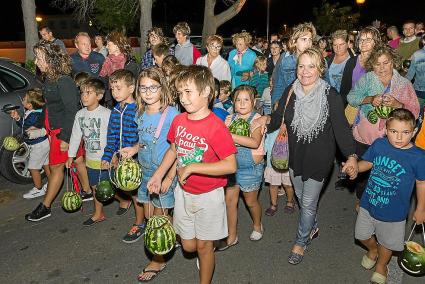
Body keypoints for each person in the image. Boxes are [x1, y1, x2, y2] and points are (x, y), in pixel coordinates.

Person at [256, 47, 358, 264]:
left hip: (320, 158)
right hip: (295, 155)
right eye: (301, 66)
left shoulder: (331, 95)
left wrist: (351, 156)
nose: (305, 71)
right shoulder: (291, 91)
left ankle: (301, 241)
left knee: (309, 202)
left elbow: (341, 129)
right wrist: (262, 120)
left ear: (320, 68)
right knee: (302, 198)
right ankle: (312, 224)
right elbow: (277, 117)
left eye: (311, 66)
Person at [147, 65, 237, 284]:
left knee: (204, 247)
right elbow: (174, 150)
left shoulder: (216, 127)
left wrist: (193, 167)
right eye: (180, 93)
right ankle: (206, 245)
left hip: (209, 196)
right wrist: (160, 175)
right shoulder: (179, 121)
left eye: (188, 92)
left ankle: (205, 274)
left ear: (206, 91)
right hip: (184, 193)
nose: (183, 98)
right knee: (188, 246)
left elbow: (230, 165)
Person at [346, 109, 425, 284]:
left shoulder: (419, 157)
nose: (399, 137)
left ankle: (382, 265)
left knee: (388, 244)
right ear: (385, 130)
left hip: (394, 213)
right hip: (369, 203)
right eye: (394, 131)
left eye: (405, 132)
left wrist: (420, 209)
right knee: (361, 235)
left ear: (414, 132)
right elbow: (368, 162)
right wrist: (356, 168)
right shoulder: (379, 144)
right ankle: (372, 250)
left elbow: (421, 183)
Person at [118, 67, 179, 282]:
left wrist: (168, 177)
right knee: (148, 212)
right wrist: (134, 149)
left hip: (162, 175)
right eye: (143, 88)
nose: (148, 92)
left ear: (162, 87)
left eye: (153, 87)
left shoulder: (171, 114)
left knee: (158, 217)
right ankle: (173, 236)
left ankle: (159, 260)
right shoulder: (140, 113)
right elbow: (144, 141)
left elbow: (177, 149)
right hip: (144, 172)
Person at [347, 44, 420, 210]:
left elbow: (414, 112)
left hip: (392, 141)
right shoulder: (367, 79)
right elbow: (351, 97)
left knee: (385, 175)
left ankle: (382, 207)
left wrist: (397, 104)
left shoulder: (403, 84)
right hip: (364, 138)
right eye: (377, 64)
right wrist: (370, 99)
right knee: (363, 175)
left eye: (385, 63)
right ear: (372, 64)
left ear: (393, 62)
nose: (381, 67)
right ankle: (363, 204)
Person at [25, 41, 83, 221]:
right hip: (54, 130)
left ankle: (46, 206)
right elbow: (49, 107)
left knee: (56, 167)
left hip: (63, 131)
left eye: (39, 57)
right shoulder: (48, 79)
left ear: (51, 59)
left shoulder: (64, 81)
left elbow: (71, 110)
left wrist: (65, 137)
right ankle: (88, 191)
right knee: (79, 160)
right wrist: (41, 125)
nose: (36, 62)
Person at [221, 85, 265, 248]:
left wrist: (229, 135)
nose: (242, 103)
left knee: (251, 201)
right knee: (230, 201)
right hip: (231, 166)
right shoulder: (229, 119)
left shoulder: (257, 120)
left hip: (250, 169)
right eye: (238, 100)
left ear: (253, 102)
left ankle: (257, 225)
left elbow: (254, 142)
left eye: (246, 99)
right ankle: (232, 236)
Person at [100, 69, 141, 241]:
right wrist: (109, 155)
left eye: (119, 88)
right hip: (122, 159)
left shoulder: (139, 109)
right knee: (131, 191)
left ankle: (140, 223)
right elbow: (112, 136)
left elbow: (143, 136)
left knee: (138, 194)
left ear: (131, 88)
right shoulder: (115, 111)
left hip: (137, 159)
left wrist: (135, 152)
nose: (114, 92)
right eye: (112, 89)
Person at [65, 78, 111, 226]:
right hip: (90, 159)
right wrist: (71, 156)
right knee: (95, 187)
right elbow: (76, 136)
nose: (84, 96)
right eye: (82, 93)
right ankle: (98, 214)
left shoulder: (106, 114)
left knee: (111, 187)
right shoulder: (80, 115)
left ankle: (125, 200)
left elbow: (114, 136)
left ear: (99, 95)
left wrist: (114, 155)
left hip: (106, 159)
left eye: (88, 93)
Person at [9, 89, 50, 199]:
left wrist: (17, 118)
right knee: (46, 163)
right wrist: (18, 118)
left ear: (30, 105)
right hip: (42, 143)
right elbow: (25, 124)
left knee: (33, 168)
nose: (22, 99)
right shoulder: (35, 112)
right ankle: (52, 183)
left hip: (39, 145)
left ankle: (38, 189)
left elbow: (25, 125)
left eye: (24, 99)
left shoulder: (34, 115)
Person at [270, 23, 316, 105]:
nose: (308, 43)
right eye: (304, 39)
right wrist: (276, 104)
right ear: (294, 41)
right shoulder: (285, 61)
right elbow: (279, 86)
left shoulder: (319, 61)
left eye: (310, 39)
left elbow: (326, 86)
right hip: (290, 105)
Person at [100, 31, 139, 108]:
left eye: (109, 44)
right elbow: (103, 82)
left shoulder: (130, 64)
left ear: (117, 45)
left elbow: (135, 86)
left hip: (128, 105)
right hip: (111, 102)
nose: (106, 47)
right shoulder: (107, 62)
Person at [406, 33, 425, 109]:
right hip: (419, 90)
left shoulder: (417, 55)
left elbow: (410, 75)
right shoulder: (416, 54)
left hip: (419, 90)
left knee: (417, 114)